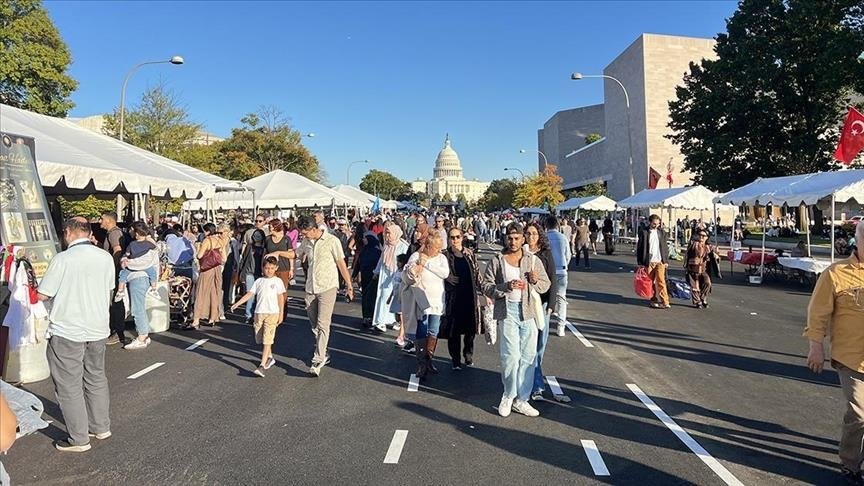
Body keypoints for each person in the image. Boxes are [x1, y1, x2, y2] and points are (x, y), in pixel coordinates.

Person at [37, 217, 115, 452]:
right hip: (98, 327)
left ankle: (79, 439)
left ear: (68, 232)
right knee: (96, 377)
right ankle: (101, 426)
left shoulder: (62, 259)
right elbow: (109, 289)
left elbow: (43, 294)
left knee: (69, 385)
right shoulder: (105, 257)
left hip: (68, 329)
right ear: (88, 232)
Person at [804, 222, 864, 484]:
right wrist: (815, 346)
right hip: (850, 358)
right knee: (860, 414)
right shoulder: (836, 274)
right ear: (858, 240)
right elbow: (817, 313)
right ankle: (851, 462)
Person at [483, 223, 551, 418]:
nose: (513, 242)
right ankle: (508, 395)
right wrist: (505, 286)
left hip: (528, 312)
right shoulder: (498, 260)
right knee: (510, 357)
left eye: (517, 238)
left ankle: (522, 399)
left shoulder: (532, 260)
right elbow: (486, 286)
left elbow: (545, 285)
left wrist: (536, 280)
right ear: (506, 239)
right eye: (510, 238)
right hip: (508, 312)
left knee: (528, 357)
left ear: (523, 239)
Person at [296, 215, 354, 377]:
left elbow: (341, 263)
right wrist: (279, 253)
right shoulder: (307, 242)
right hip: (311, 287)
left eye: (305, 233)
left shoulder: (332, 241)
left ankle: (318, 358)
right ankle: (323, 347)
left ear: (314, 229)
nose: (303, 236)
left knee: (323, 323)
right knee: (314, 322)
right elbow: (296, 254)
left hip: (328, 286)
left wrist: (349, 285)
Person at [525, 222, 569, 403]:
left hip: (542, 305)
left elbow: (552, 280)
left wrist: (552, 304)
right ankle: (536, 386)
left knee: (539, 348)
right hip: (525, 304)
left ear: (540, 235)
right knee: (529, 347)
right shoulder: (522, 254)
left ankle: (534, 381)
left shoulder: (545, 254)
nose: (531, 237)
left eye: (534, 233)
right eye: (528, 233)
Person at [401, 229, 449, 379]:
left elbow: (445, 273)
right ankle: (422, 364)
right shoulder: (416, 256)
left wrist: (427, 263)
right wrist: (417, 265)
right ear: (428, 246)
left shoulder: (441, 258)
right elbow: (408, 276)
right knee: (421, 331)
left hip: (436, 301)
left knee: (433, 331)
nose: (439, 250)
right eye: (436, 247)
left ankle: (429, 361)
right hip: (421, 302)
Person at [230, 256, 286, 377]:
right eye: (267, 268)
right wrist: (237, 303)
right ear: (263, 268)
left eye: (272, 268)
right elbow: (250, 293)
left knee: (267, 339)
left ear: (276, 268)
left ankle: (262, 365)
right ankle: (270, 357)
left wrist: (281, 314)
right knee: (260, 338)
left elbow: (281, 298)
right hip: (259, 313)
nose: (269, 270)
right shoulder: (259, 281)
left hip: (272, 313)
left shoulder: (277, 281)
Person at [441, 227, 482, 370]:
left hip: (469, 295)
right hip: (453, 297)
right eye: (452, 237)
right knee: (454, 331)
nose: (455, 240)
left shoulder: (469, 254)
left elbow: (477, 274)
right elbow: (438, 271)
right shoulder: (445, 255)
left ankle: (468, 354)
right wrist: (447, 277)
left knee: (470, 330)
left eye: (457, 237)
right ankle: (455, 360)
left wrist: (487, 293)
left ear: (462, 237)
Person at [188, 223, 231, 330]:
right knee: (214, 292)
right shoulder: (221, 242)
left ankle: (196, 319)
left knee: (201, 292)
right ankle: (213, 317)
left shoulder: (208, 240)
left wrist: (199, 250)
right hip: (217, 269)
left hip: (207, 269)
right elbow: (224, 259)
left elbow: (199, 255)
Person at [371, 222, 410, 333]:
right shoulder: (387, 245)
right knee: (383, 297)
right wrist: (377, 271)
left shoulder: (403, 245)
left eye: (389, 233)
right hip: (385, 275)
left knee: (395, 299)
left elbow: (404, 262)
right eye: (386, 233)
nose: (387, 236)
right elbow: (382, 259)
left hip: (397, 276)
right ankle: (381, 321)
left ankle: (393, 320)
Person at [98, 211, 128, 346]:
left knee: (115, 302)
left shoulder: (114, 233)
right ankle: (115, 331)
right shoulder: (113, 233)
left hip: (114, 272)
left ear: (109, 221)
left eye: (102, 219)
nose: (100, 222)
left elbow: (117, 250)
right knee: (114, 301)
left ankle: (117, 332)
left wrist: (113, 268)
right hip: (115, 271)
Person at [113, 221, 159, 302]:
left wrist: (124, 260)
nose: (130, 232)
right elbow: (155, 251)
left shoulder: (132, 244)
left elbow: (127, 254)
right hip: (146, 269)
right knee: (153, 274)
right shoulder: (150, 243)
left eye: (131, 230)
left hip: (136, 275)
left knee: (122, 275)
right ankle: (154, 289)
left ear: (136, 233)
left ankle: (120, 291)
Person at [636, 214, 671, 309]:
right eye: (654, 224)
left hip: (660, 260)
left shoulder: (662, 232)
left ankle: (665, 301)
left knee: (661, 281)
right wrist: (640, 262)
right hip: (649, 261)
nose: (656, 225)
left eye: (658, 224)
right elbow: (640, 248)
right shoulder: (644, 232)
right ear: (650, 222)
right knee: (650, 282)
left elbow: (665, 247)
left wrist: (666, 260)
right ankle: (653, 299)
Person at [545, 216, 572, 337]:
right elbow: (568, 255)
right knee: (561, 299)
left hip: (547, 272)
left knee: (545, 298)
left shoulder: (544, 238)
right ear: (557, 225)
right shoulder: (563, 238)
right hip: (561, 271)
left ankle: (544, 323)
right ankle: (561, 327)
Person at [238, 216, 267, 325]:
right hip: (250, 272)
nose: (256, 237)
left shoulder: (265, 248)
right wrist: (241, 272)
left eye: (259, 235)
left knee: (260, 295)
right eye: (255, 235)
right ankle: (248, 315)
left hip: (260, 273)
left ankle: (257, 314)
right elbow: (244, 259)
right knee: (250, 294)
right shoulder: (250, 247)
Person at [353, 232, 381, 328]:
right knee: (365, 298)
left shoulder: (378, 252)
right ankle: (365, 317)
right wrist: (354, 275)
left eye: (366, 238)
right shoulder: (364, 251)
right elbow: (358, 264)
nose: (363, 240)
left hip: (374, 278)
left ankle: (372, 317)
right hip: (364, 278)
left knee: (372, 298)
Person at [263, 219, 296, 293]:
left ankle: (283, 304)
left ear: (276, 227)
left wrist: (291, 269)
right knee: (271, 291)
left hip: (284, 268)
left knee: (282, 291)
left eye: (270, 227)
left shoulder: (286, 239)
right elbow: (265, 254)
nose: (269, 229)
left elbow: (290, 255)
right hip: (271, 269)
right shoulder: (268, 239)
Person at [685, 230, 712, 309]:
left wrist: (715, 254)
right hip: (693, 267)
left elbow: (713, 255)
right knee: (694, 286)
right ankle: (697, 302)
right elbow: (688, 254)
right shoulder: (694, 244)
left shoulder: (708, 246)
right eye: (700, 235)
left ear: (707, 237)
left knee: (707, 283)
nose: (701, 237)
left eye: (704, 236)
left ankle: (702, 298)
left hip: (703, 269)